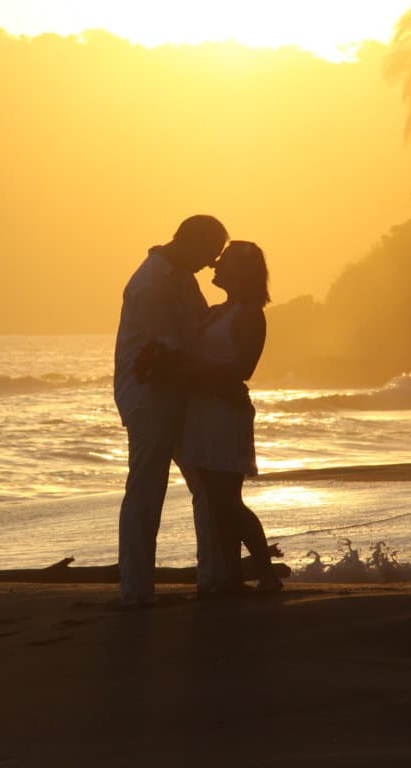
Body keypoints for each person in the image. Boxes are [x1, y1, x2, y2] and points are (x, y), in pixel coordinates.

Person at [113, 214, 228, 608]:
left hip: (177, 393)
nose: (211, 263)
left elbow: (196, 329)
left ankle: (212, 577)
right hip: (149, 397)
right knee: (147, 490)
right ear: (191, 242)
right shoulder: (152, 283)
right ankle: (136, 589)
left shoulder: (180, 278)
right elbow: (171, 346)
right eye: (210, 252)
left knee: (204, 484)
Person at [178, 240, 282, 593]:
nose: (215, 265)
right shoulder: (216, 312)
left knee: (227, 500)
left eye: (223, 260)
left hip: (225, 413)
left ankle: (266, 573)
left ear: (240, 270)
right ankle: (232, 577)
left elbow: (243, 367)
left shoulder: (250, 314)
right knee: (214, 501)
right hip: (202, 412)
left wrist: (194, 373)